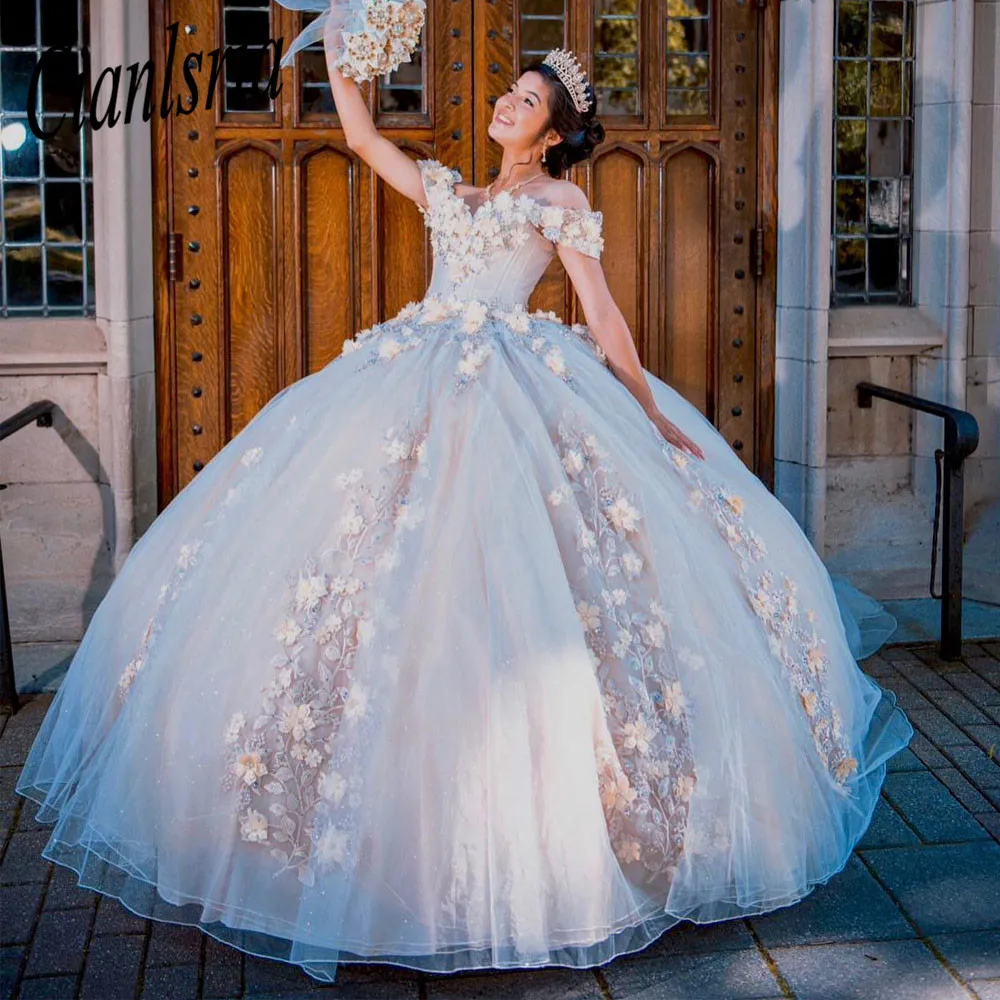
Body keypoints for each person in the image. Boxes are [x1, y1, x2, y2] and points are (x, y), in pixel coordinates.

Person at [16, 21, 913, 986]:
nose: (504, 104)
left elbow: (601, 312)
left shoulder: (558, 200)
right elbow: (360, 139)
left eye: (525, 100)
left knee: (515, 573)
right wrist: (338, 47)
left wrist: (649, 413)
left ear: (554, 132)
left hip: (513, 380)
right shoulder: (451, 188)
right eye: (508, 92)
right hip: (413, 373)